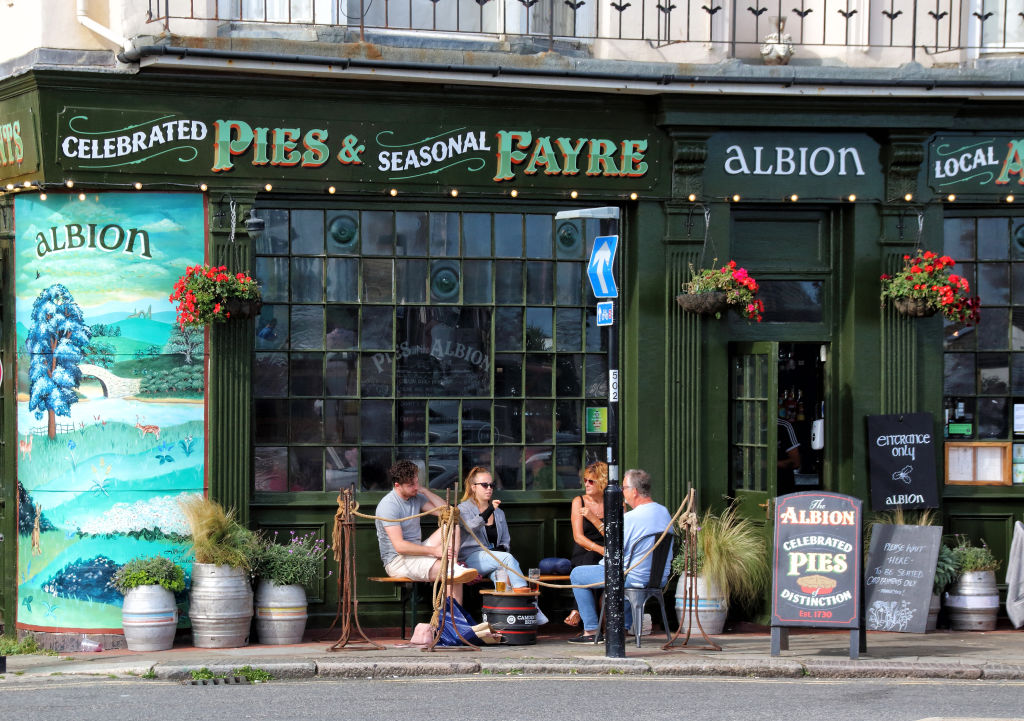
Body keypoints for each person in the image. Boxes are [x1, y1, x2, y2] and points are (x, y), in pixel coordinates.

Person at [567, 468, 673, 643]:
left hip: (633, 577)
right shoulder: (664, 511)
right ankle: (622, 628)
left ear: (635, 491)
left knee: (578, 575)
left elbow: (614, 552)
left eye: (623, 488)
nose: (621, 492)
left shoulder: (631, 518)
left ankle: (591, 630)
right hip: (658, 578)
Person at [457, 466, 550, 625]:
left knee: (503, 577)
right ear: (473, 487)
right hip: (471, 559)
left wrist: (500, 549)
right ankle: (530, 604)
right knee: (506, 559)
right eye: (484, 485)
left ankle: (507, 622)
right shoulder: (463, 508)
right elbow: (470, 528)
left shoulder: (499, 513)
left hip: (494, 559)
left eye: (491, 485)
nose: (489, 488)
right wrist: (488, 511)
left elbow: (506, 541)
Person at [375, 459, 477, 603]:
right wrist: (435, 552)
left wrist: (424, 491)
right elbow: (400, 547)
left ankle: (451, 565)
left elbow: (449, 512)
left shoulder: (416, 495)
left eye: (417, 482)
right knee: (452, 573)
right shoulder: (388, 505)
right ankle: (451, 621)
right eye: (411, 485)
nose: (416, 487)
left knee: (453, 525)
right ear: (397, 485)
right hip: (398, 561)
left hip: (418, 552)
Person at [564, 461, 607, 627]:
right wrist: (602, 550)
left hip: (607, 550)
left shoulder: (615, 502)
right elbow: (578, 537)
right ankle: (586, 618)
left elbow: (615, 537)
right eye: (585, 480)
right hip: (585, 551)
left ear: (602, 482)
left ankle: (580, 614)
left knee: (593, 561)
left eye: (591, 481)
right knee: (590, 558)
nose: (586, 484)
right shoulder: (579, 501)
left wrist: (594, 519)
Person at [777, 417, 801, 497]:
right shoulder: (748, 425)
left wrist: (768, 464)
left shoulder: (783, 426)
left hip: (782, 487)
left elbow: (796, 462)